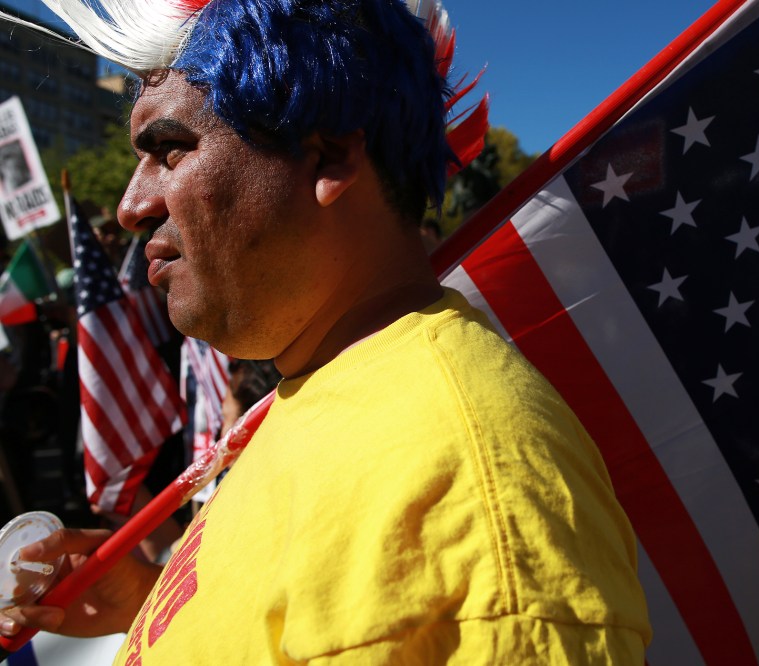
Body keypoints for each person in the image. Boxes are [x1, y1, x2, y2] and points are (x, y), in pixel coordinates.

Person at [0, 0, 652, 662]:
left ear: (329, 157)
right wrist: (150, 600)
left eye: (169, 149)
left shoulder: (464, 494)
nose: (131, 206)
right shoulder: (320, 384)